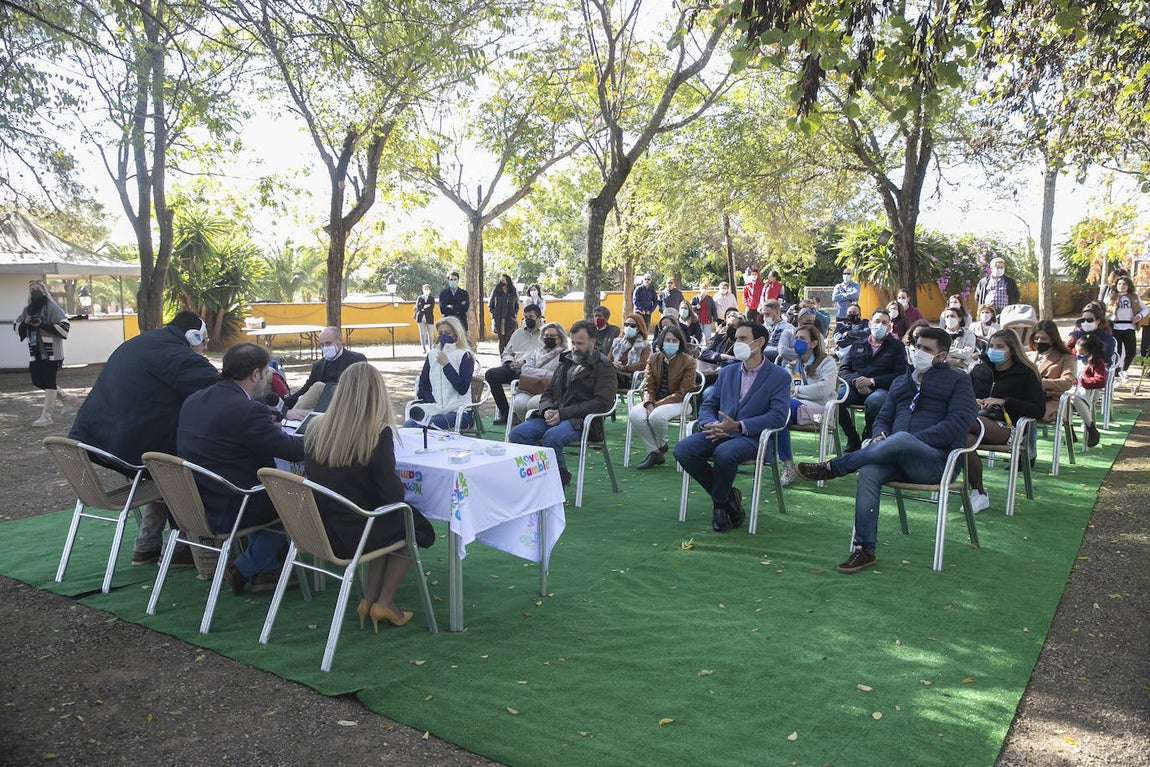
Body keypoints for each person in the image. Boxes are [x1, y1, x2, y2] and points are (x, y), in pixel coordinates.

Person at [796, 327, 978, 573]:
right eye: (918, 346)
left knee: (901, 438)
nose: (919, 352)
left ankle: (835, 467)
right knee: (869, 472)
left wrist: (909, 441)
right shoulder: (902, 381)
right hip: (896, 457)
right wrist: (880, 436)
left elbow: (959, 422)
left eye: (927, 349)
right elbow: (883, 417)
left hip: (935, 462)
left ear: (942, 356)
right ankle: (864, 549)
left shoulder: (958, 380)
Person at [70, 309, 219, 567]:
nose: (205, 348)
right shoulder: (177, 355)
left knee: (160, 468)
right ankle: (183, 545)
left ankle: (147, 545)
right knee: (191, 465)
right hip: (131, 449)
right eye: (204, 342)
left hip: (99, 442)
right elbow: (221, 391)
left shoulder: (142, 342)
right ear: (192, 337)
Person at [303, 362, 435, 631]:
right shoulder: (376, 433)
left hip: (320, 528)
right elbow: (392, 496)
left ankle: (370, 599)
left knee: (386, 519)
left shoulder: (315, 428)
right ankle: (385, 601)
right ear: (377, 394)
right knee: (412, 525)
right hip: (354, 532)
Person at [177, 343, 305, 594]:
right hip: (229, 507)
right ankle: (245, 567)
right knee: (300, 502)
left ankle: (266, 571)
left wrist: (265, 430)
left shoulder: (194, 399)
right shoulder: (247, 410)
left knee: (264, 490)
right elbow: (293, 451)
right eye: (266, 374)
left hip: (193, 501)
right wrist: (325, 438)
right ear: (255, 374)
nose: (266, 380)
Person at [673, 322, 790, 532]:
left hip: (752, 438)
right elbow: (708, 405)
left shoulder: (779, 376)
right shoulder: (728, 372)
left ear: (759, 342)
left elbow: (777, 417)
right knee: (683, 449)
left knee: (724, 453)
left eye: (743, 338)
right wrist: (710, 423)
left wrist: (738, 426)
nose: (737, 343)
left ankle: (719, 506)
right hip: (718, 431)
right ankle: (728, 498)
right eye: (736, 339)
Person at [509, 320, 617, 487]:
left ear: (592, 342)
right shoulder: (566, 360)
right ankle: (545, 478)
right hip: (555, 416)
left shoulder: (604, 366)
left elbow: (601, 403)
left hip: (582, 422)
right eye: (573, 343)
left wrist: (562, 414)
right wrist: (547, 409)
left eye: (580, 343)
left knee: (552, 437)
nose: (575, 348)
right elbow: (548, 392)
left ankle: (553, 484)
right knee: (517, 434)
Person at [966, 330, 1047, 512]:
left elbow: (1038, 410)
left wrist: (1005, 401)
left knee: (963, 421)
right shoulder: (980, 370)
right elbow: (966, 394)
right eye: (992, 346)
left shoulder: (1026, 374)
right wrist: (974, 400)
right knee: (965, 440)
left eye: (1000, 346)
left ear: (1012, 350)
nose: (994, 350)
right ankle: (979, 493)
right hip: (977, 420)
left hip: (1009, 427)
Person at [776, 324, 839, 486]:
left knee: (782, 410)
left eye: (802, 338)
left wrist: (796, 390)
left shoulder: (827, 362)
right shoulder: (792, 365)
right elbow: (786, 390)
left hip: (820, 410)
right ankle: (786, 464)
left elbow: (823, 390)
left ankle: (786, 465)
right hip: (795, 408)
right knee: (777, 414)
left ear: (814, 343)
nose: (797, 341)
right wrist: (797, 392)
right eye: (796, 338)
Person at [838, 308, 908, 452]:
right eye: (877, 321)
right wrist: (856, 381)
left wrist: (872, 381)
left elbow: (900, 374)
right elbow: (844, 369)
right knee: (836, 398)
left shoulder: (897, 347)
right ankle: (852, 438)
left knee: (875, 401)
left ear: (889, 327)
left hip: (881, 389)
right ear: (870, 324)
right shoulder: (858, 344)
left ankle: (868, 435)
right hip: (855, 387)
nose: (880, 325)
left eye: (884, 323)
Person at [628, 325, 698, 470]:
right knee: (635, 414)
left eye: (674, 340)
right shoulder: (653, 358)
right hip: (654, 401)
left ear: (680, 343)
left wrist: (657, 404)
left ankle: (657, 449)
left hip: (680, 402)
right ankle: (656, 450)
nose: (670, 343)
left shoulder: (689, 361)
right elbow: (648, 386)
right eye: (667, 340)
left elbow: (683, 392)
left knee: (656, 416)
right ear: (661, 341)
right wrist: (649, 403)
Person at [405, 316, 475, 430]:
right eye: (440, 333)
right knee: (409, 425)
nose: (443, 336)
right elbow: (423, 384)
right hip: (436, 408)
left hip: (459, 411)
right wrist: (432, 400)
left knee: (427, 425)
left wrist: (446, 365)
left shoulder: (465, 355)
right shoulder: (432, 355)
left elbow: (462, 388)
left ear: (456, 334)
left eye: (447, 333)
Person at [14, 280, 70, 426]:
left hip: (51, 352)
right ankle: (65, 397)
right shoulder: (27, 309)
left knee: (49, 382)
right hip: (35, 350)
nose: (35, 291)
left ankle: (46, 416)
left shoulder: (52, 307)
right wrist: (26, 322)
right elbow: (17, 326)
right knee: (38, 381)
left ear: (44, 290)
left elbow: (64, 326)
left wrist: (42, 324)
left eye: (38, 289)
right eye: (32, 289)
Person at [487, 304, 544, 426]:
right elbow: (507, 352)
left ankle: (518, 413)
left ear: (539, 318)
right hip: (513, 366)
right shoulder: (518, 333)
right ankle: (506, 413)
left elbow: (543, 356)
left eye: (531, 317)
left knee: (520, 374)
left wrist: (525, 363)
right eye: (525, 317)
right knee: (491, 374)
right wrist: (509, 362)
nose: (528, 319)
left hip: (530, 369)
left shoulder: (545, 334)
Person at [283, 327, 367, 410]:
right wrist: (283, 402)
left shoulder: (356, 360)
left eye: (328, 343)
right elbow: (306, 389)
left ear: (340, 340)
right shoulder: (318, 365)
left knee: (318, 386)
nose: (325, 347)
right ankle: (287, 413)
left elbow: (361, 388)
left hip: (346, 404)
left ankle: (287, 414)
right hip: (322, 406)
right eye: (322, 345)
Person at [511, 322, 567, 422]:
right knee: (519, 403)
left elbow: (558, 375)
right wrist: (546, 373)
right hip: (530, 388)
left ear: (560, 338)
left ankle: (537, 426)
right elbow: (525, 369)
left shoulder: (565, 354)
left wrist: (535, 371)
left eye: (552, 336)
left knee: (533, 404)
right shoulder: (537, 351)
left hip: (549, 391)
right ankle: (527, 424)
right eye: (546, 335)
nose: (548, 338)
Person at [1028, 320, 1077, 422]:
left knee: (1028, 412)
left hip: (1050, 401)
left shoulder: (1065, 357)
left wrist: (1040, 384)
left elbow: (1067, 382)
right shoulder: (1028, 356)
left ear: (1053, 339)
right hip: (1027, 398)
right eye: (1036, 338)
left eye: (1044, 338)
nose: (1039, 341)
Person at [1071, 334, 1107, 447]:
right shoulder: (1072, 357)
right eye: (1078, 352)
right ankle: (1069, 430)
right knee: (1065, 398)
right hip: (1071, 389)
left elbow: (1101, 380)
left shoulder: (1096, 362)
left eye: (1082, 354)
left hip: (1087, 392)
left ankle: (1091, 428)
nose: (1079, 355)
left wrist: (1082, 381)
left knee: (1073, 397)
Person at [1106, 275, 1145, 371]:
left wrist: (1139, 316)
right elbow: (1102, 310)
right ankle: (1116, 371)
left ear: (1128, 286)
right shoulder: (1111, 297)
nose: (1121, 286)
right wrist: (1111, 316)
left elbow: (1145, 309)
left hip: (1130, 327)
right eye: (1119, 284)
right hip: (1116, 327)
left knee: (1131, 352)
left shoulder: (1134, 297)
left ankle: (1124, 369)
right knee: (1117, 351)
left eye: (1124, 284)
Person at [609, 313, 651, 389]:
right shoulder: (617, 342)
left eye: (632, 326)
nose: (628, 327)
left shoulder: (644, 345)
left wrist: (625, 368)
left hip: (631, 378)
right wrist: (613, 364)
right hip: (614, 372)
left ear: (639, 328)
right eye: (626, 325)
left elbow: (643, 364)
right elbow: (608, 360)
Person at [488, 273, 520, 355]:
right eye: (501, 280)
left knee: (509, 339)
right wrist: (494, 314)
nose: (501, 282)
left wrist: (514, 314)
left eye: (503, 280)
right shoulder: (496, 291)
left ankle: (508, 356)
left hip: (510, 319)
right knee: (501, 339)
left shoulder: (513, 291)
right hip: (500, 319)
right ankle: (502, 356)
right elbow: (491, 305)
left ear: (507, 281)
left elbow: (517, 305)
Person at [940, 306, 978, 371]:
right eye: (947, 317)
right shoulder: (940, 334)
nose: (949, 319)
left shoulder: (969, 334)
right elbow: (937, 353)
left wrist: (946, 350)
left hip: (964, 367)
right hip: (943, 367)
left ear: (959, 319)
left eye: (952, 316)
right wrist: (950, 360)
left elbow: (966, 354)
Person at [759, 299, 796, 364]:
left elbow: (792, 348)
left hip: (778, 355)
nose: (765, 317)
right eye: (764, 314)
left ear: (777, 312)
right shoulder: (762, 327)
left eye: (768, 314)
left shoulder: (788, 328)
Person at [413, 283, 435, 353]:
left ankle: (431, 346)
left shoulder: (431, 298)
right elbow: (418, 306)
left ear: (430, 290)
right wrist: (425, 306)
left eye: (427, 289)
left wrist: (423, 307)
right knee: (422, 333)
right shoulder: (420, 298)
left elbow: (431, 307)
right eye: (425, 289)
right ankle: (423, 347)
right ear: (423, 290)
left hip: (429, 317)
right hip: (420, 317)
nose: (426, 290)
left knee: (430, 333)